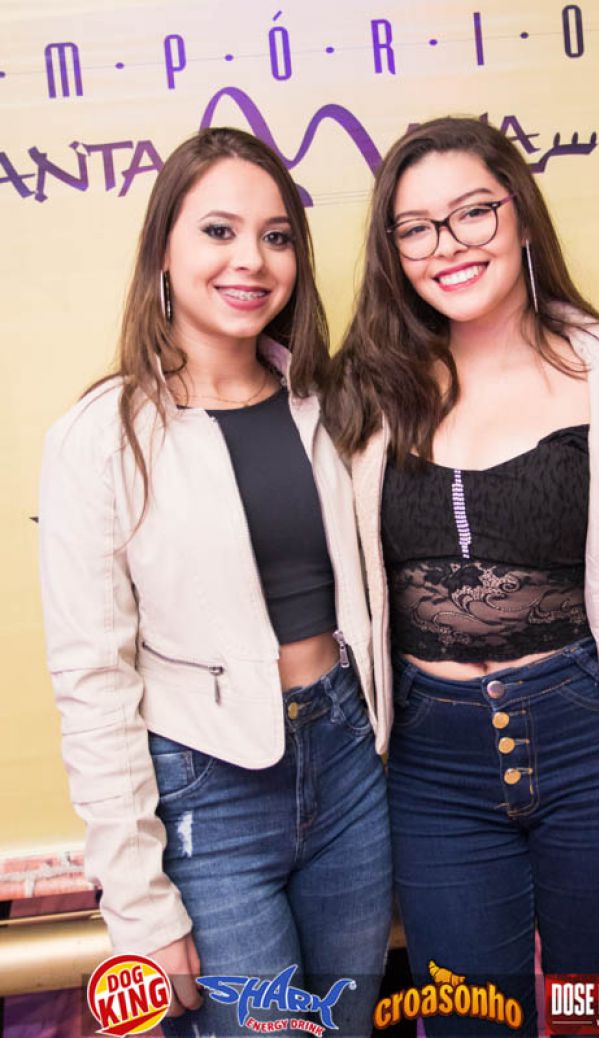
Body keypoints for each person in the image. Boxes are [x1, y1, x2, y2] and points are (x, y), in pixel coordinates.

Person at [325, 116, 599, 1035]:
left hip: (596, 751)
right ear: (394, 250)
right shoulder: (363, 394)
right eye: (417, 227)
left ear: (519, 213)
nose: (449, 245)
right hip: (433, 770)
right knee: (468, 1026)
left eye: (473, 212)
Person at [38, 128, 392, 1038]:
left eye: (276, 237)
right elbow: (92, 677)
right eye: (219, 231)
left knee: (347, 1026)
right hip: (206, 788)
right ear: (164, 250)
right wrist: (139, 904)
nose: (251, 261)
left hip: (347, 759)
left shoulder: (334, 405)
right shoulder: (100, 436)